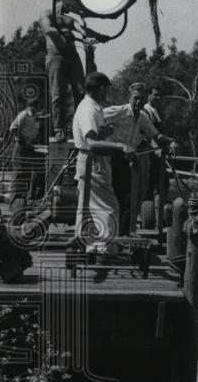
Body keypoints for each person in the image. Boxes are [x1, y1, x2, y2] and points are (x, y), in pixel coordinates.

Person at [72, 72, 134, 251]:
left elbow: (94, 136)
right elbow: (90, 143)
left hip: (94, 163)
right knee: (109, 206)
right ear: (101, 88)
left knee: (88, 207)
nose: (107, 92)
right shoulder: (89, 109)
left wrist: (105, 133)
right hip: (93, 163)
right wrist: (121, 146)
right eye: (107, 88)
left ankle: (87, 245)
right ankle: (105, 248)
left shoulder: (94, 107)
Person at [104, 82, 176, 234]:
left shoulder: (143, 117)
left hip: (129, 163)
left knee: (130, 200)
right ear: (129, 97)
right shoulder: (119, 111)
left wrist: (171, 142)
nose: (138, 102)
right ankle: (112, 234)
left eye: (141, 99)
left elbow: (155, 134)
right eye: (135, 98)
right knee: (115, 199)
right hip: (114, 159)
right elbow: (96, 117)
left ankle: (122, 235)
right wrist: (103, 131)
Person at [41, 7, 86, 141]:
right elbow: (47, 29)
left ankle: (80, 126)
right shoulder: (47, 13)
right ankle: (59, 129)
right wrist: (64, 33)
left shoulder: (70, 18)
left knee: (81, 91)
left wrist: (95, 34)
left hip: (73, 55)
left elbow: (82, 30)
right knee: (58, 93)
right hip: (56, 55)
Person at [7, 93, 45, 205]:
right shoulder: (23, 114)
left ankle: (23, 200)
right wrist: (24, 141)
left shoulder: (33, 116)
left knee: (27, 174)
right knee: (19, 174)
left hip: (28, 148)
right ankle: (14, 200)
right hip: (21, 147)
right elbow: (13, 128)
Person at [143, 86, 166, 203]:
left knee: (162, 182)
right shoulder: (145, 110)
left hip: (159, 153)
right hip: (151, 152)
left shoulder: (155, 111)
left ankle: (160, 210)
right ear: (149, 95)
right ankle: (148, 209)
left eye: (159, 96)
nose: (158, 98)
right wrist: (156, 148)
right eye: (155, 95)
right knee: (151, 181)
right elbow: (146, 133)